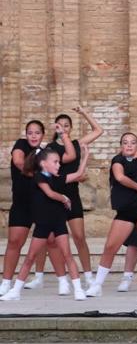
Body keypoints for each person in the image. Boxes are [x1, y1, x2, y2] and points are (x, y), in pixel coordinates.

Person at [84, 133, 137, 297]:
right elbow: (120, 177)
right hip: (126, 211)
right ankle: (97, 285)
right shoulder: (118, 160)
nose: (129, 145)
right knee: (110, 247)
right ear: (121, 146)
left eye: (133, 143)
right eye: (125, 143)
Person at [27, 108, 103, 290]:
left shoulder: (75, 143)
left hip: (72, 194)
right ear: (55, 128)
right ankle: (39, 277)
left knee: (79, 237)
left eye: (67, 126)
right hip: (53, 196)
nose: (64, 128)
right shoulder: (50, 148)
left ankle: (88, 276)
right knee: (46, 237)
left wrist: (84, 112)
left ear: (70, 128)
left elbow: (98, 131)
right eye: (60, 126)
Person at [1, 145, 90, 301]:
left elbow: (78, 174)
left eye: (58, 162)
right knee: (30, 257)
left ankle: (77, 289)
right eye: (55, 162)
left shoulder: (58, 178)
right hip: (43, 225)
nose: (59, 165)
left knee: (68, 255)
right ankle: (15, 290)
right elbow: (49, 193)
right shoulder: (38, 178)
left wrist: (85, 157)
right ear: (43, 164)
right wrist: (64, 198)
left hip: (58, 223)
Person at [1, 120, 73, 296]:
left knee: (51, 242)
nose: (33, 136)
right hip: (22, 203)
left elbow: (70, 156)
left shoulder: (47, 152)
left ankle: (63, 281)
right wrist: (42, 175)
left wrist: (63, 134)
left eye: (37, 133)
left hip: (43, 205)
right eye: (30, 132)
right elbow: (19, 162)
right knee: (14, 242)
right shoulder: (21, 145)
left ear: (42, 135)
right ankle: (6, 283)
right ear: (26, 134)